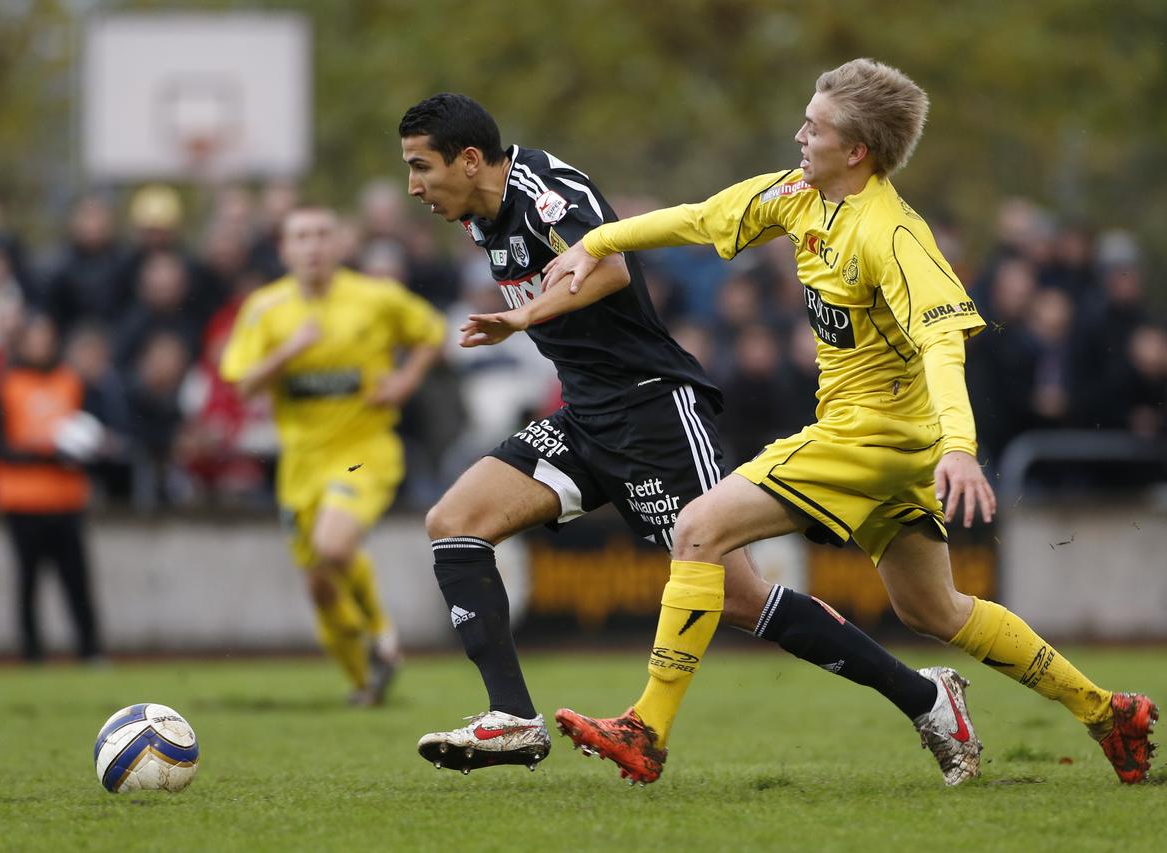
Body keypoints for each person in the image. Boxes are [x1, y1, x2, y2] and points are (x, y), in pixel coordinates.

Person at [544, 58, 1157, 785]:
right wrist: (602, 240)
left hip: (870, 439)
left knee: (698, 529)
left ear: (857, 150)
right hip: (890, 443)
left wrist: (960, 447)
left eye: (816, 125)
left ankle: (646, 728)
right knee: (934, 608)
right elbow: (706, 217)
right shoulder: (803, 192)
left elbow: (941, 341)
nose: (800, 133)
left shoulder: (893, 234)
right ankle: (1108, 710)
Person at [400, 93, 982, 784]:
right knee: (454, 523)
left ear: (469, 160)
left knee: (740, 597)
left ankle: (925, 696)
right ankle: (513, 717)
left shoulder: (546, 193)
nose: (414, 186)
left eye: (420, 167)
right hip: (586, 416)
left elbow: (611, 268)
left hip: (654, 411)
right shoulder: (478, 213)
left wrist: (523, 317)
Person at [219, 205, 445, 706]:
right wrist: (288, 352)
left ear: (340, 245)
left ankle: (383, 634)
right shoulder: (265, 308)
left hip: (364, 451)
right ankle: (365, 682)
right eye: (301, 237)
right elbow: (242, 384)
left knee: (334, 545)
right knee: (320, 585)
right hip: (300, 463)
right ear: (284, 249)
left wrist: (404, 381)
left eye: (323, 235)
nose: (313, 246)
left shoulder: (376, 297)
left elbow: (432, 332)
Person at [0, 313, 103, 663]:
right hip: (22, 500)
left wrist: (84, 450)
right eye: (35, 337)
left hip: (66, 499)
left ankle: (90, 651)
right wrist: (44, 454)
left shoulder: (71, 380)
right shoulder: (6, 384)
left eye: (47, 337)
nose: (41, 344)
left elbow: (92, 429)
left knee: (77, 580)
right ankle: (32, 653)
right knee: (29, 580)